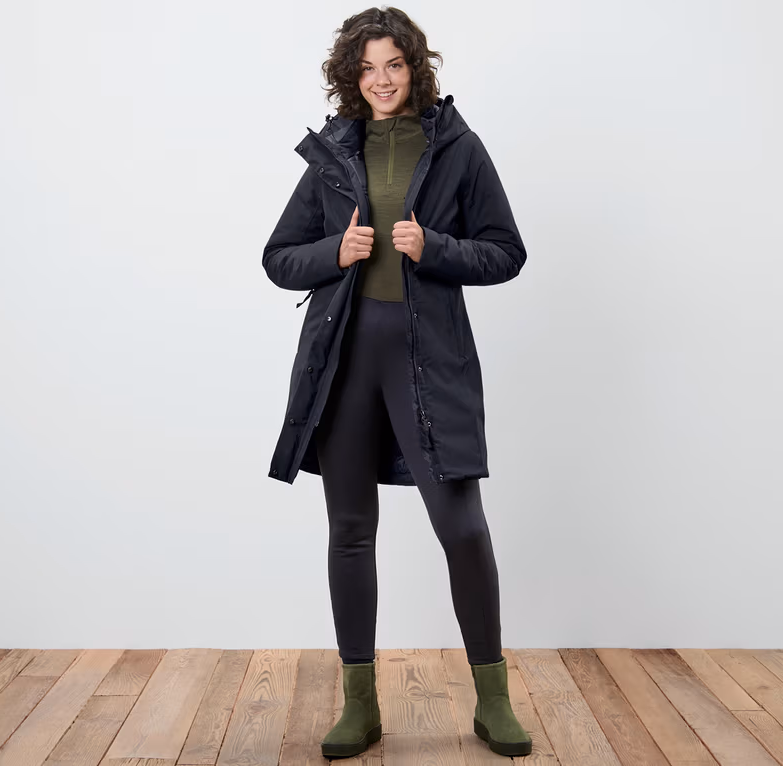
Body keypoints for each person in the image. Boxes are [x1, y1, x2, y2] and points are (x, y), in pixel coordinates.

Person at [262, 6, 531, 759]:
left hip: (429, 363)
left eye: (394, 65)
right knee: (350, 532)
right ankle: (361, 706)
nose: (381, 80)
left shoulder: (457, 148)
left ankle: (493, 703)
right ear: (351, 76)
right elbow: (278, 257)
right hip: (344, 363)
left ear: (415, 67)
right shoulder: (333, 153)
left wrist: (434, 246)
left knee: (462, 528)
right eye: (367, 68)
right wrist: (334, 252)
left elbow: (506, 251)